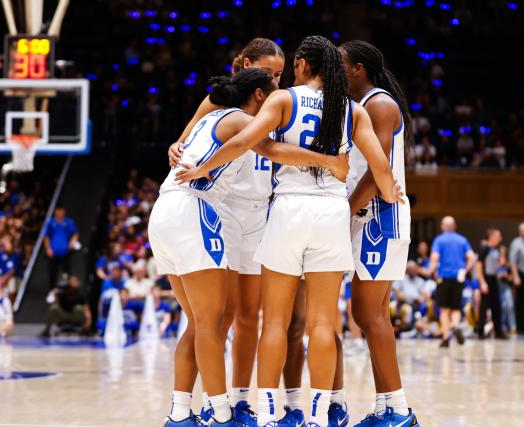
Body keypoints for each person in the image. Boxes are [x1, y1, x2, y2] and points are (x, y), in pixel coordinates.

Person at [175, 36, 402, 427]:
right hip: (332, 212)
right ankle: (318, 416)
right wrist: (391, 192)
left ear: (301, 65)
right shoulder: (352, 109)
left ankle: (267, 414)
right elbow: (381, 166)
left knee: (276, 322)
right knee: (322, 323)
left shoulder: (284, 99)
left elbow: (247, 141)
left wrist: (202, 167)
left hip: (289, 209)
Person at [151, 67, 352, 427]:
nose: (280, 90)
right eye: (274, 84)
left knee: (197, 324)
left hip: (164, 211)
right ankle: (222, 413)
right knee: (211, 323)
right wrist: (330, 162)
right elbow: (271, 149)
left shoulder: (211, 117)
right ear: (259, 94)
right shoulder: (242, 120)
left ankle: (180, 412)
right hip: (194, 209)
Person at [340, 39, 418, 427]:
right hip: (371, 216)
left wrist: (343, 212)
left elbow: (378, 171)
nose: (335, 70)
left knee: (368, 314)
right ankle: (388, 406)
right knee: (372, 315)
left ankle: (398, 410)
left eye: (341, 64)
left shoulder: (380, 104)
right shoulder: (363, 106)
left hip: (379, 219)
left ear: (358, 69)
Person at [428, 216, 476, 347]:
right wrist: (465, 270)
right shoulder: (462, 240)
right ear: (454, 226)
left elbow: (434, 258)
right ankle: (455, 325)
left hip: (443, 277)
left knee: (444, 309)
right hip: (458, 278)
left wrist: (431, 271)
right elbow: (472, 257)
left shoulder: (439, 240)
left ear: (442, 226)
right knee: (455, 308)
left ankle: (445, 338)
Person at [476, 229, 507, 339]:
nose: (500, 238)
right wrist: (482, 282)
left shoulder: (496, 250)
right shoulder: (485, 248)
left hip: (494, 278)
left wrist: (502, 255)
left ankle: (498, 331)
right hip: (486, 278)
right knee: (484, 306)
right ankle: (480, 331)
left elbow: (500, 264)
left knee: (496, 306)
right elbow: (478, 265)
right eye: (499, 236)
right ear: (492, 236)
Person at [44, 206, 79, 293]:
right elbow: (46, 236)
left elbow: (75, 233)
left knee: (66, 273)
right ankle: (52, 290)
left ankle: (66, 290)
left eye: (61, 210)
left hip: (65, 252)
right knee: (52, 272)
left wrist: (72, 242)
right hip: (53, 252)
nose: (60, 212)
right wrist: (48, 249)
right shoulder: (50, 222)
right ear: (55, 211)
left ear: (64, 211)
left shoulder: (69, 222)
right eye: (58, 210)